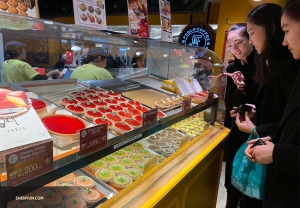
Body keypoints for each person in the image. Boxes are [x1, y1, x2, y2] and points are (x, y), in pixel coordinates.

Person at [233, 3, 299, 207]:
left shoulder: (288, 64)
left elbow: (288, 119)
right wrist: (254, 113)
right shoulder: (269, 61)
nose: (251, 40)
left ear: (271, 30)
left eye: (252, 33)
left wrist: (258, 130)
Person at [221, 23, 259, 208]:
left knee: (248, 178)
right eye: (230, 44)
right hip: (236, 129)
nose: (234, 49)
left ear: (251, 40)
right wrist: (240, 89)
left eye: (239, 43)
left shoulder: (262, 66)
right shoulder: (231, 66)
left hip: (255, 130)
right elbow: (230, 102)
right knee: (231, 177)